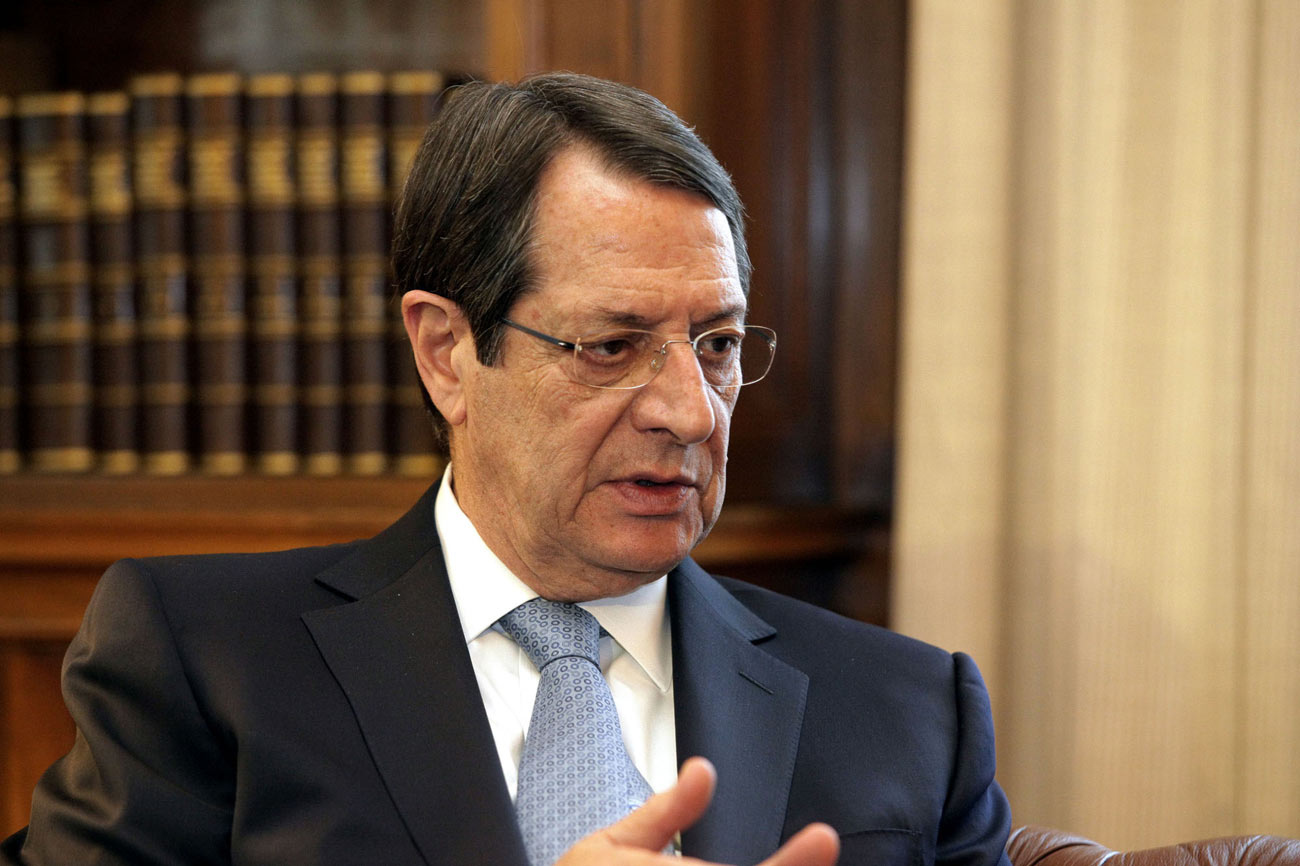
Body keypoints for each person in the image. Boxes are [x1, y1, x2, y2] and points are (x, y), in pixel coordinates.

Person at [2, 73, 1012, 866]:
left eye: (716, 344)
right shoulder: (208, 658)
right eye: (611, 345)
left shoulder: (909, 711)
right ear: (446, 352)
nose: (690, 411)